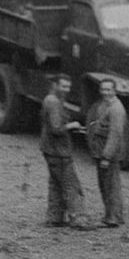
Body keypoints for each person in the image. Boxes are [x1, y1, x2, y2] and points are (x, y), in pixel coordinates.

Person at [39, 74, 89, 228]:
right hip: (59, 151)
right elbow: (56, 129)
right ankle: (79, 219)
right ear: (55, 85)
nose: (66, 90)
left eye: (68, 87)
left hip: (49, 149)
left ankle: (54, 217)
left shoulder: (50, 99)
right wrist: (72, 125)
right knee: (71, 185)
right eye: (63, 86)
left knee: (55, 183)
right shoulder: (54, 102)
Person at [83, 76, 128, 228]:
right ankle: (111, 215)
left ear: (114, 91)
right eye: (103, 89)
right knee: (105, 185)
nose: (105, 92)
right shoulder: (103, 105)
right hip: (100, 150)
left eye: (109, 89)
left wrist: (106, 157)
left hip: (109, 154)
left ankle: (114, 217)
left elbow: (115, 134)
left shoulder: (116, 109)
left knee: (111, 186)